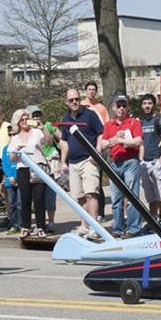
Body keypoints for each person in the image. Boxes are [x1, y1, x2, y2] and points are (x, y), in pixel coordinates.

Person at [59, 88, 103, 237]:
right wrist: (63, 162)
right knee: (79, 196)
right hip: (73, 162)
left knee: (91, 193)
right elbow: (64, 142)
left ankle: (95, 228)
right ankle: (84, 226)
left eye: (76, 99)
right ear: (66, 102)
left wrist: (97, 152)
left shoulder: (90, 115)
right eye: (71, 100)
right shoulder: (66, 118)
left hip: (88, 160)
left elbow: (100, 134)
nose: (74, 102)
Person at [102, 95, 143, 239]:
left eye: (124, 106)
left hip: (130, 161)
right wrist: (113, 140)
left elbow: (138, 141)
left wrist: (124, 140)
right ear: (113, 108)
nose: (121, 109)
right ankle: (118, 228)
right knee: (116, 198)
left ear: (128, 107)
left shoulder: (133, 122)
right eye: (118, 106)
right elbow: (102, 144)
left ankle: (133, 228)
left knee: (132, 196)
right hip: (115, 163)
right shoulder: (109, 125)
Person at [9, 108, 50, 239]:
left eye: (27, 118)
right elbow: (12, 158)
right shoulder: (15, 138)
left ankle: (40, 227)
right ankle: (25, 226)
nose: (25, 121)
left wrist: (42, 128)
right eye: (22, 119)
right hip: (23, 169)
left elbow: (48, 141)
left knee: (39, 198)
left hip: (38, 167)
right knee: (25, 199)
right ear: (18, 122)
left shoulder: (37, 132)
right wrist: (17, 150)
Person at [28, 104, 62, 233]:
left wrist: (43, 129)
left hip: (49, 164)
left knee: (50, 195)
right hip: (35, 165)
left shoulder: (46, 125)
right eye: (34, 115)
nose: (36, 118)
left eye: (38, 115)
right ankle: (39, 223)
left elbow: (56, 138)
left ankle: (51, 221)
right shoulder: (27, 131)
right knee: (37, 196)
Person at [80, 81, 109, 221]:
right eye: (89, 89)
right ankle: (86, 214)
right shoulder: (80, 105)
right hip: (81, 149)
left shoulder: (101, 108)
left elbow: (105, 127)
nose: (91, 91)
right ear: (85, 91)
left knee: (96, 183)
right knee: (83, 186)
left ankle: (100, 213)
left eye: (93, 89)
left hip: (96, 148)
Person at [138, 94, 161, 226]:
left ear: (153, 105)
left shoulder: (158, 120)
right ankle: (153, 221)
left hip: (156, 161)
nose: (147, 106)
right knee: (150, 196)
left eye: (149, 103)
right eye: (144, 103)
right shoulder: (140, 122)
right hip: (145, 162)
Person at [1, 125, 22, 234]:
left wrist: (17, 177)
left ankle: (22, 225)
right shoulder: (5, 148)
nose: (12, 136)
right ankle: (14, 225)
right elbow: (4, 164)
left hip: (21, 178)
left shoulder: (22, 146)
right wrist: (10, 177)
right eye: (10, 134)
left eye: (14, 134)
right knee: (12, 204)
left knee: (20, 203)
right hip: (10, 180)